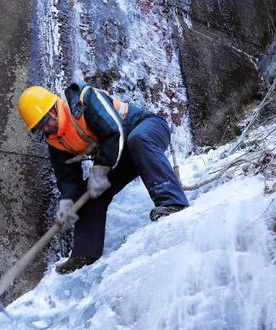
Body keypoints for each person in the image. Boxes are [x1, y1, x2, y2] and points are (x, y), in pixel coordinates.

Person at [18, 82, 189, 274]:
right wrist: (67, 204)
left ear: (54, 108)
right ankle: (84, 254)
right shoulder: (56, 141)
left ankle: (174, 204)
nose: (46, 127)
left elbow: (114, 132)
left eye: (46, 120)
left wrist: (100, 169)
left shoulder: (84, 100)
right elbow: (68, 180)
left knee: (138, 140)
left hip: (147, 129)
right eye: (40, 127)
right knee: (88, 195)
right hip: (122, 156)